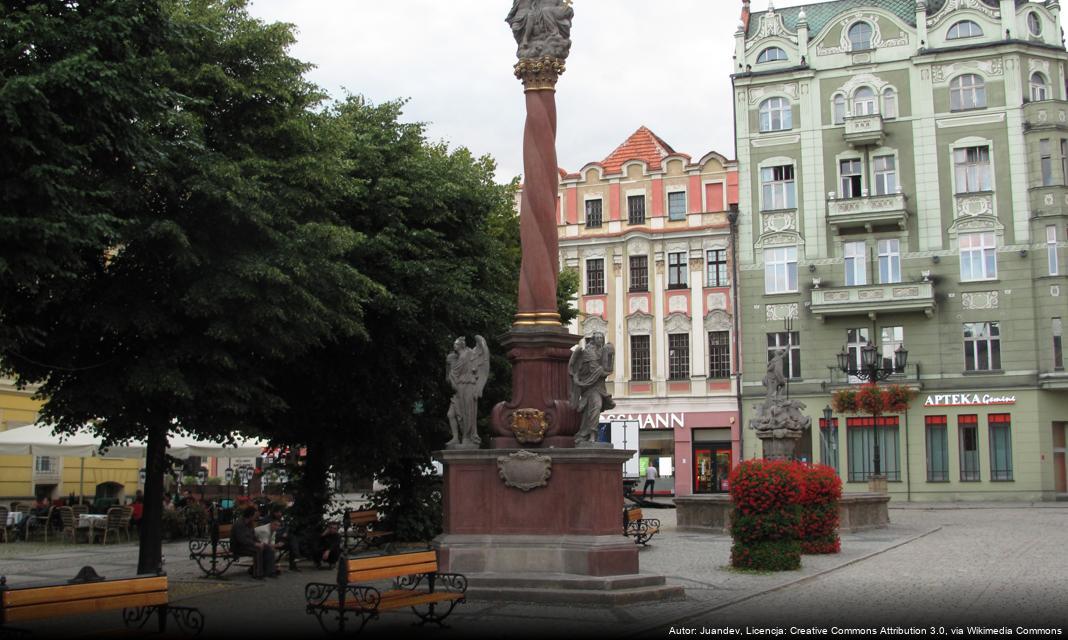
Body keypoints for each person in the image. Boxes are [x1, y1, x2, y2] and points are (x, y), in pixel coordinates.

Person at [568, 333, 616, 444]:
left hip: (599, 387)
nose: (600, 340)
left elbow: (604, 370)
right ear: (593, 340)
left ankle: (588, 434)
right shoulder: (588, 352)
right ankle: (591, 434)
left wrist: (606, 369)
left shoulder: (603, 352)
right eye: (598, 338)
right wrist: (603, 371)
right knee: (596, 407)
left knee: (591, 411)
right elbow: (592, 371)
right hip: (590, 388)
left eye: (601, 338)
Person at [445, 335, 489, 446]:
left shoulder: (469, 353)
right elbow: (449, 377)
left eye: (455, 344)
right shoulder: (456, 357)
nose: (454, 345)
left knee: (467, 412)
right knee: (451, 414)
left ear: (461, 345)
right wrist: (449, 366)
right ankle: (455, 438)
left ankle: (467, 438)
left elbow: (482, 353)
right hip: (459, 388)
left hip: (468, 385)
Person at [231, 506, 277, 579]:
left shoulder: (250, 523)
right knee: (257, 550)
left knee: (269, 549)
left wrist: (262, 543)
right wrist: (255, 544)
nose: (256, 516)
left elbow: (253, 537)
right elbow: (242, 539)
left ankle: (270, 571)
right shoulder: (239, 524)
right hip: (239, 546)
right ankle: (258, 574)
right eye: (255, 515)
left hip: (248, 545)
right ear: (250, 515)